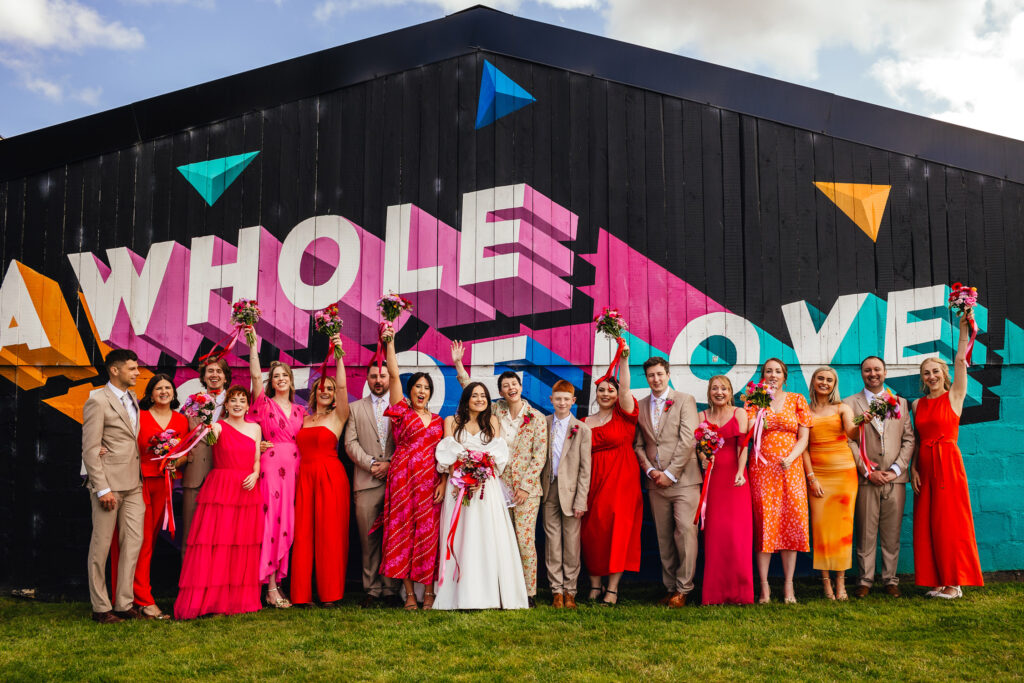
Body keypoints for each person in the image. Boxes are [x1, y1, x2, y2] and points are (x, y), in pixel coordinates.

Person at [452, 341, 548, 606]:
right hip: (496, 487)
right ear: (502, 391)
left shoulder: (537, 417)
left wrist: (526, 487)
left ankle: (527, 593)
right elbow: (471, 391)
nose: (510, 388)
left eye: (514, 384)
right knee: (499, 541)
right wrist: (459, 364)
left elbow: (539, 456)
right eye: (505, 386)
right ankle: (501, 591)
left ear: (520, 386)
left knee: (525, 541)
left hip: (526, 492)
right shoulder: (496, 410)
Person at [433, 382, 529, 609]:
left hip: (485, 489)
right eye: (474, 395)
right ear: (466, 399)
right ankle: (458, 594)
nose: (479, 399)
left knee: (485, 536)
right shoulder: (451, 422)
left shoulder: (492, 422)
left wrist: (478, 477)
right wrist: (461, 478)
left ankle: (487, 594)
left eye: (483, 396)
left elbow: (496, 456)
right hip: (458, 487)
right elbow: (447, 455)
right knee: (461, 536)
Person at [174, 385, 264, 620]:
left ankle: (235, 599)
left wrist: (255, 475)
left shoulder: (255, 428)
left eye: (242, 400)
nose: (237, 404)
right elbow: (205, 434)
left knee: (241, 544)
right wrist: (205, 418)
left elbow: (256, 459)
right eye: (233, 400)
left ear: (247, 405)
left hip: (247, 488)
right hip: (221, 489)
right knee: (218, 544)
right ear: (226, 404)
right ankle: (212, 600)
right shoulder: (217, 427)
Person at [911, 311, 984, 599]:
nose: (931, 376)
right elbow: (916, 440)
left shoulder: (954, 395)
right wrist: (913, 469)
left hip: (948, 464)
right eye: (926, 373)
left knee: (951, 522)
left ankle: (954, 584)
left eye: (936, 371)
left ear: (944, 374)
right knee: (929, 523)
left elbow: (960, 361)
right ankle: (938, 581)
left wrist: (964, 328)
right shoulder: (917, 404)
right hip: (925, 466)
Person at [108, 374, 188, 619]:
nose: (164, 391)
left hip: (163, 486)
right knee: (136, 541)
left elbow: (184, 453)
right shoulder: (139, 417)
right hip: (138, 482)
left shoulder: (181, 420)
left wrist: (176, 462)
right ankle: (143, 599)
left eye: (168, 388)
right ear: (150, 393)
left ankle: (131, 597)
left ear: (173, 393)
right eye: (158, 388)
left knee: (149, 542)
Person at [379, 324, 445, 610]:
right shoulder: (402, 411)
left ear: (431, 393)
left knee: (428, 534)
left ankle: (428, 593)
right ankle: (408, 595)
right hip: (403, 478)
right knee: (404, 532)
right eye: (418, 386)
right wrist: (389, 343)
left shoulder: (441, 420)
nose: (422, 391)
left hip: (430, 480)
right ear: (410, 390)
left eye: (426, 387)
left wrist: (442, 482)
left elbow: (445, 456)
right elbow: (393, 374)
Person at [842, 356, 914, 598]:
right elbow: (849, 440)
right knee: (865, 531)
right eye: (867, 370)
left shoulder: (901, 403)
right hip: (866, 478)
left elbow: (908, 439)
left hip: (895, 479)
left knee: (892, 533)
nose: (872, 374)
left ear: (885, 372)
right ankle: (864, 580)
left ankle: (890, 579)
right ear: (861, 373)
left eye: (877, 370)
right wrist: (867, 471)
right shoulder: (850, 403)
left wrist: (895, 470)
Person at [81, 349, 144, 623]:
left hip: (134, 483)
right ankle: (101, 608)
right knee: (101, 546)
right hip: (109, 485)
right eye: (132, 368)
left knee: (133, 543)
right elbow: (90, 448)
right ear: (115, 370)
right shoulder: (97, 400)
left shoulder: (132, 397)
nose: (137, 373)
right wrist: (102, 488)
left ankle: (123, 604)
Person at [290, 335, 351, 608]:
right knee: (302, 534)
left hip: (330, 476)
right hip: (304, 476)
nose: (326, 391)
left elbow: (342, 385)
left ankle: (330, 594)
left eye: (330, 388)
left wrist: (337, 353)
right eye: (320, 388)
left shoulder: (338, 416)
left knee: (330, 535)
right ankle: (301, 595)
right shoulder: (303, 419)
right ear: (314, 393)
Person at [245, 326, 304, 609]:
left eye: (284, 375)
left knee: (287, 525)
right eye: (276, 376)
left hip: (294, 471)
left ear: (291, 381)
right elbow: (255, 375)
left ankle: (277, 582)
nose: (280, 379)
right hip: (270, 469)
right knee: (270, 524)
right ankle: (268, 586)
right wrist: (253, 345)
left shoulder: (301, 411)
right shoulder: (264, 403)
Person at [633, 356, 699, 607]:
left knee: (685, 532)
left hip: (684, 481)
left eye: (660, 374)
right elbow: (639, 445)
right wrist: (650, 471)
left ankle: (684, 588)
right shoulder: (640, 406)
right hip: (654, 483)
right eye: (651, 375)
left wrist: (670, 473)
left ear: (668, 374)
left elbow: (688, 440)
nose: (656, 379)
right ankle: (670, 587)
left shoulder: (685, 400)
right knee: (663, 537)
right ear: (646, 378)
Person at [745, 358, 811, 604]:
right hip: (762, 469)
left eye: (777, 371)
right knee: (765, 524)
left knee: (790, 524)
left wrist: (791, 457)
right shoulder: (754, 399)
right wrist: (760, 403)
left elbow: (804, 437)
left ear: (785, 376)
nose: (772, 375)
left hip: (791, 469)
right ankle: (764, 587)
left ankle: (788, 586)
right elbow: (749, 431)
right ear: (762, 376)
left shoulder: (797, 399)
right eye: (768, 371)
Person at [581, 339, 641, 606]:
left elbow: (625, 387)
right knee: (592, 530)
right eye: (601, 390)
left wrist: (624, 358)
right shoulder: (584, 422)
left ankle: (613, 589)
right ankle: (594, 584)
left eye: (610, 390)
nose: (606, 394)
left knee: (618, 530)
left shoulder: (625, 415)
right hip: (592, 480)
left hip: (621, 480)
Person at [345, 362, 399, 607]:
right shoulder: (355, 408)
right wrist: (372, 463)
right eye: (374, 376)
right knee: (369, 539)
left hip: (397, 481)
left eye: (383, 376)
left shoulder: (401, 406)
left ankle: (391, 589)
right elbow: (350, 443)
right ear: (366, 378)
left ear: (390, 378)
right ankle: (372, 589)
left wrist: (390, 464)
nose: (379, 380)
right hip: (366, 482)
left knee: (393, 537)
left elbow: (410, 441)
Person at [804, 366, 859, 600]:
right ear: (814, 381)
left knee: (843, 531)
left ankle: (841, 584)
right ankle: (826, 584)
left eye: (829, 379)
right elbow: (803, 449)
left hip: (844, 474)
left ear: (834, 384)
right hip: (818, 475)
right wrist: (811, 478)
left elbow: (852, 433)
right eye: (820, 378)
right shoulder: (804, 410)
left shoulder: (842, 408)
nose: (824, 382)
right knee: (821, 530)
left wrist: (862, 423)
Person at [698, 375, 753, 606]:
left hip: (735, 479)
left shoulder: (739, 413)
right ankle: (714, 594)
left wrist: (741, 471)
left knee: (737, 535)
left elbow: (743, 446)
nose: (719, 392)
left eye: (724, 388)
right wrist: (702, 457)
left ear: (730, 392)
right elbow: (699, 446)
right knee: (715, 535)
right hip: (712, 479)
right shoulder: (702, 417)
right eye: (714, 388)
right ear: (709, 392)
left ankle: (741, 593)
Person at [541, 380, 592, 609]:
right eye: (557, 398)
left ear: (573, 402)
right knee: (552, 542)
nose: (561, 403)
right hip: (548, 490)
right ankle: (556, 590)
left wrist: (581, 499)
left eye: (566, 399)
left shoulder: (582, 430)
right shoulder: (543, 424)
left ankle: (570, 590)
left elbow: (585, 468)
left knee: (571, 543)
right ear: (551, 400)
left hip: (571, 494)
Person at [180, 357, 230, 554]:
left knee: (222, 533)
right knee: (191, 532)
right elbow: (179, 429)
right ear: (204, 376)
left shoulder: (235, 400)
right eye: (210, 371)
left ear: (226, 377)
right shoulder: (192, 402)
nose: (214, 375)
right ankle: (186, 582)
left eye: (219, 371)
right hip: (196, 473)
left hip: (225, 474)